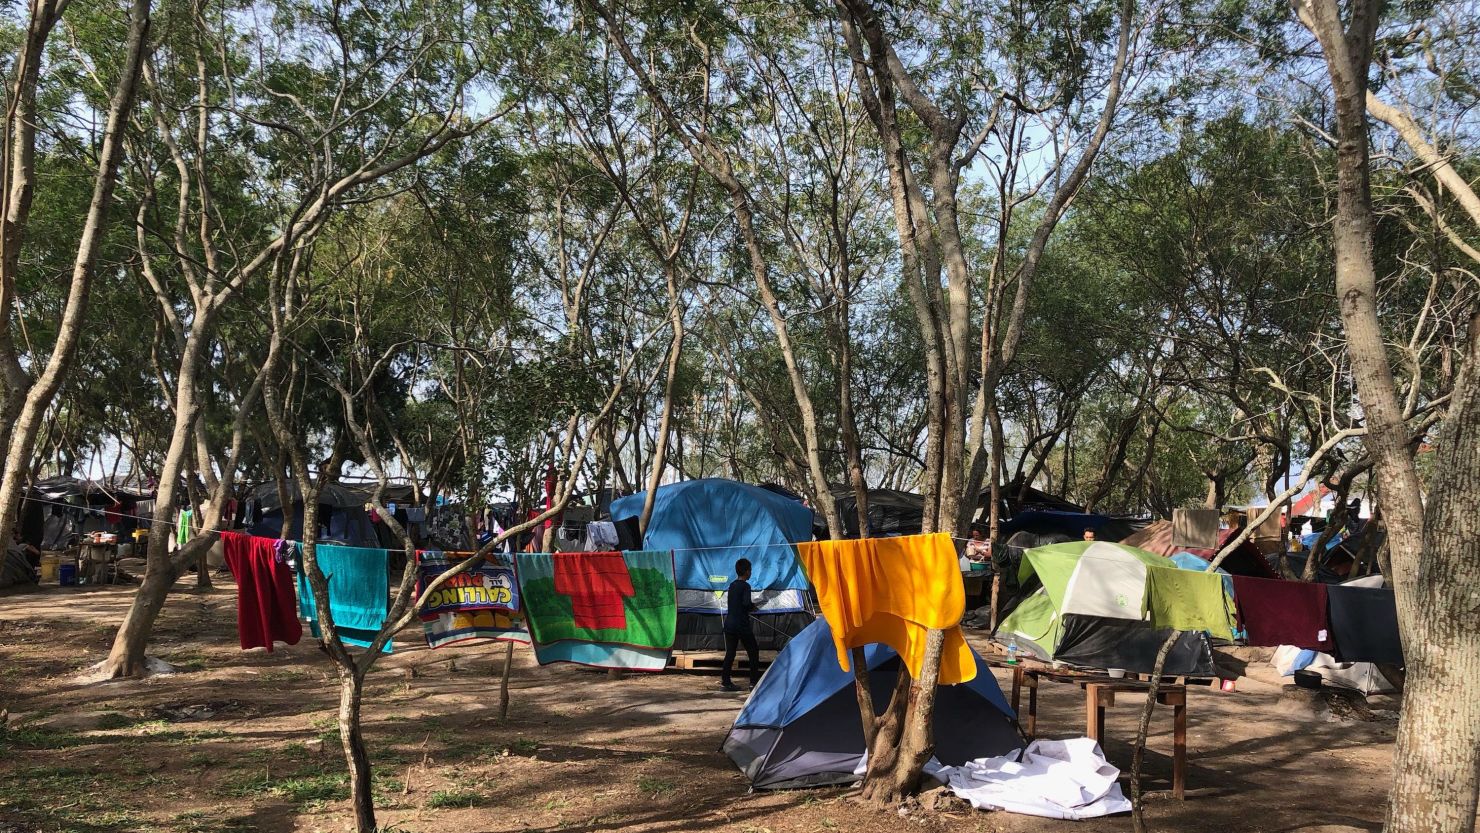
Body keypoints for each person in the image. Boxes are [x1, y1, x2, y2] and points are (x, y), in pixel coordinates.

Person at [721, 558, 760, 692]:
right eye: (750, 570)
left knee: (730, 653)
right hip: (741, 625)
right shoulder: (745, 586)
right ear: (747, 571)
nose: (750, 573)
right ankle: (753, 683)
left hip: (729, 624)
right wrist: (753, 607)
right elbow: (745, 603)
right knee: (753, 651)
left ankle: (726, 682)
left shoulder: (732, 585)